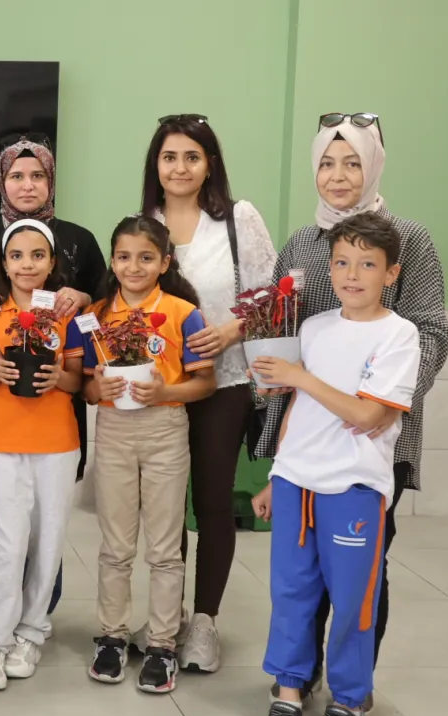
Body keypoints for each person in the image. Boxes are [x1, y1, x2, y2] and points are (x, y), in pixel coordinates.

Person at [252, 114, 448, 712]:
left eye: (353, 162)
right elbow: (284, 327)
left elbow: (432, 331)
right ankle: (295, 679)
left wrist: (387, 405)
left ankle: (350, 689)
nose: (338, 176)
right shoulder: (300, 242)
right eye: (327, 163)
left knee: (358, 582)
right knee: (296, 584)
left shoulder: (407, 238)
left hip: (368, 443)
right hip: (303, 451)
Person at [253, 213, 421, 716]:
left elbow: (367, 415)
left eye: (367, 264)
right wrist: (275, 474)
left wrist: (300, 377)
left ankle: (349, 696)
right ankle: (288, 688)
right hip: (294, 481)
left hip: (353, 487)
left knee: (352, 598)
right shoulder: (314, 327)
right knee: (291, 592)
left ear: (391, 273)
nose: (352, 274)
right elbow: (298, 409)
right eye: (342, 263)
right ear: (329, 268)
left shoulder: (400, 335)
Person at [0, 134, 105, 613]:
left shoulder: (79, 240)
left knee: (48, 515)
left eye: (38, 175)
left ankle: (38, 615)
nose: (27, 185)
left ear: (51, 181)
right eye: (16, 176)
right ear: (0, 181)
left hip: (57, 402)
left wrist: (84, 299)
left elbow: (108, 304)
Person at [134, 114, 278, 670]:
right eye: (169, 157)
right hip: (163, 387)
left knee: (213, 502)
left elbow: (271, 296)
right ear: (156, 165)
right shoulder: (145, 224)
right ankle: (166, 617)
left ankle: (205, 622)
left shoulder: (239, 220)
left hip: (224, 383)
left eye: (191, 157)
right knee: (166, 507)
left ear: (209, 164)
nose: (180, 168)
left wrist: (232, 330)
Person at [82, 216, 216, 694]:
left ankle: (162, 644)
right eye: (123, 257)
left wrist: (165, 392)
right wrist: (97, 389)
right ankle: (112, 637)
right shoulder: (96, 315)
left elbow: (206, 382)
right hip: (114, 430)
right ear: (112, 261)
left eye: (145, 257)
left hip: (165, 430)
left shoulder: (184, 312)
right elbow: (87, 386)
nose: (133, 266)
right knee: (115, 545)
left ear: (165, 263)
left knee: (163, 547)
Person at [0, 220, 86, 691]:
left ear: (52, 263)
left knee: (48, 541)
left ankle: (31, 632)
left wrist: (59, 379)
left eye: (37, 255)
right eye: (16, 255)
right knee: (9, 542)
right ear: (4, 262)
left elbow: (78, 380)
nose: (27, 265)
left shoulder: (65, 314)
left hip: (57, 442)